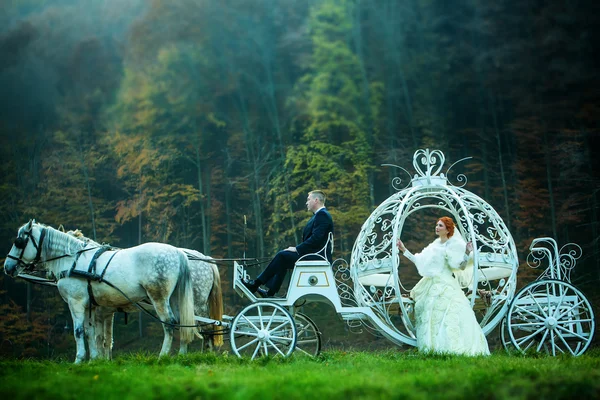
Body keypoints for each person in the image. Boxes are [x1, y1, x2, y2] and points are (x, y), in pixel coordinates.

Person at [396, 216, 490, 356]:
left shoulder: (453, 245)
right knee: (430, 315)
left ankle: (452, 348)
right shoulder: (434, 246)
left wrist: (466, 253)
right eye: (436, 225)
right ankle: (433, 349)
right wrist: (404, 250)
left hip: (445, 284)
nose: (437, 227)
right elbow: (418, 260)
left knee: (450, 314)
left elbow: (461, 267)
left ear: (448, 230)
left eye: (440, 225)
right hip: (430, 284)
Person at [243, 190, 334, 297]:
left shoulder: (322, 215)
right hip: (314, 254)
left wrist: (297, 249)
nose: (306, 202)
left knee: (282, 256)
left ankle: (256, 284)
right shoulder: (319, 215)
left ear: (316, 200)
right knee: (283, 258)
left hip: (316, 256)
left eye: (308, 199)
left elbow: (316, 239)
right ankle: (270, 292)